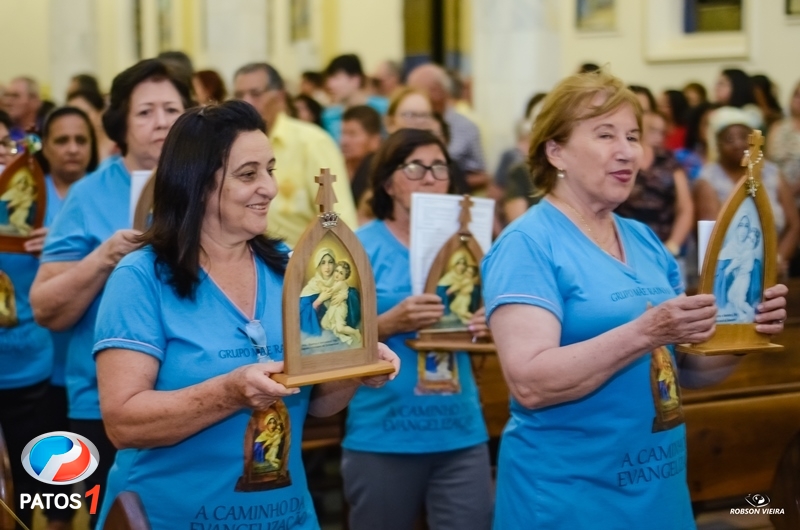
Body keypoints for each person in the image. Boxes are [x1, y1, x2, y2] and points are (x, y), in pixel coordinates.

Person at [481, 70, 789, 529]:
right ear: (555, 150)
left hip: (656, 493)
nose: (627, 150)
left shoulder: (644, 240)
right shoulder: (529, 243)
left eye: (632, 135)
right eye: (605, 134)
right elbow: (530, 382)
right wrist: (645, 331)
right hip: (569, 498)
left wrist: (744, 329)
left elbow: (688, 369)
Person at [90, 100, 398, 528]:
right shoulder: (143, 277)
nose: (270, 188)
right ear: (198, 184)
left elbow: (320, 405)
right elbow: (124, 423)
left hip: (284, 517)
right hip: (173, 517)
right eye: (248, 174)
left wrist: (355, 365)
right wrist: (230, 392)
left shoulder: (292, 268)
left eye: (270, 169)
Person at [30, 59, 193, 529]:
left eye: (171, 109)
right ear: (121, 122)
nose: (161, 121)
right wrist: (104, 257)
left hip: (192, 393)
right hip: (102, 405)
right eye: (145, 112)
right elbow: (45, 308)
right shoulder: (88, 195)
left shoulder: (209, 188)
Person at [342, 128, 492, 530]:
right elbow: (326, 342)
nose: (430, 176)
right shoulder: (359, 246)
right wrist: (391, 323)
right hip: (384, 431)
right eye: (415, 167)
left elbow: (499, 323)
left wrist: (488, 323)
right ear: (389, 181)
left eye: (439, 166)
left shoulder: (471, 243)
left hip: (460, 430)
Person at [0, 106, 97, 530]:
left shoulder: (31, 202)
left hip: (33, 372)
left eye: (6, 144)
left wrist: (53, 255)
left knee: (42, 494)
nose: (2, 154)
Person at [233, 62, 356, 246]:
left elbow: (336, 218)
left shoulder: (312, 142)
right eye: (239, 96)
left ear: (280, 97)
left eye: (256, 94)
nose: (247, 103)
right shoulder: (231, 146)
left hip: (301, 264)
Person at [694, 106, 800, 277]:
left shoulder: (771, 172)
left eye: (744, 137)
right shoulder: (708, 180)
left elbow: (794, 225)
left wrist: (777, 260)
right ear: (718, 145)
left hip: (775, 271)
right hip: (729, 271)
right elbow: (714, 236)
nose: (738, 144)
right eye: (729, 139)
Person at [616, 111, 694, 256]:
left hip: (664, 246)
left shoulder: (669, 161)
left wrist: (672, 246)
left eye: (662, 132)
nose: (658, 136)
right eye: (653, 130)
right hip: (624, 247)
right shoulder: (623, 158)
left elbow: (685, 207)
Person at [407, 63, 489, 192]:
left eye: (417, 92)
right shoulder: (411, 124)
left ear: (438, 91)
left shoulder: (466, 126)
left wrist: (447, 178)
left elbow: (483, 176)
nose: (413, 99)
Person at [321, 54, 389, 143]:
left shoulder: (384, 107)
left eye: (336, 78)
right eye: (328, 79)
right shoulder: (329, 116)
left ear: (355, 79)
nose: (330, 84)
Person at [767, 81, 800, 203]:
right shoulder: (777, 127)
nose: (798, 100)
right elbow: (767, 163)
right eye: (796, 95)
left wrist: (792, 190)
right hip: (776, 194)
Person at [67, 89, 118, 162]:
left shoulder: (118, 147)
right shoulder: (73, 149)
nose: (76, 121)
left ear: (100, 113)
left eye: (83, 114)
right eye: (71, 116)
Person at [341, 105, 381, 195]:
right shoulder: (335, 166)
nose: (344, 141)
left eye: (352, 134)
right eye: (343, 133)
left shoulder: (381, 174)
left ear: (375, 140)